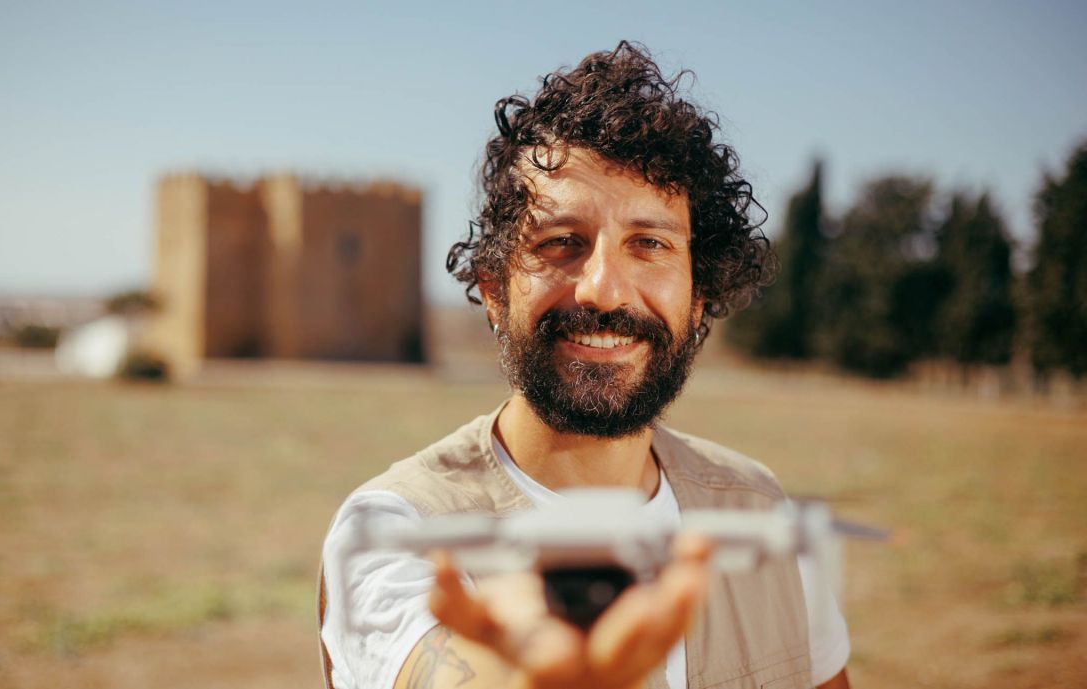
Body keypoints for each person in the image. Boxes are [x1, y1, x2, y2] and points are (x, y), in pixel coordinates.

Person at [318, 41, 852, 689]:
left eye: (649, 244)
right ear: (493, 288)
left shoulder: (758, 512)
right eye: (561, 242)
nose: (603, 288)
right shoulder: (398, 531)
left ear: (699, 297)